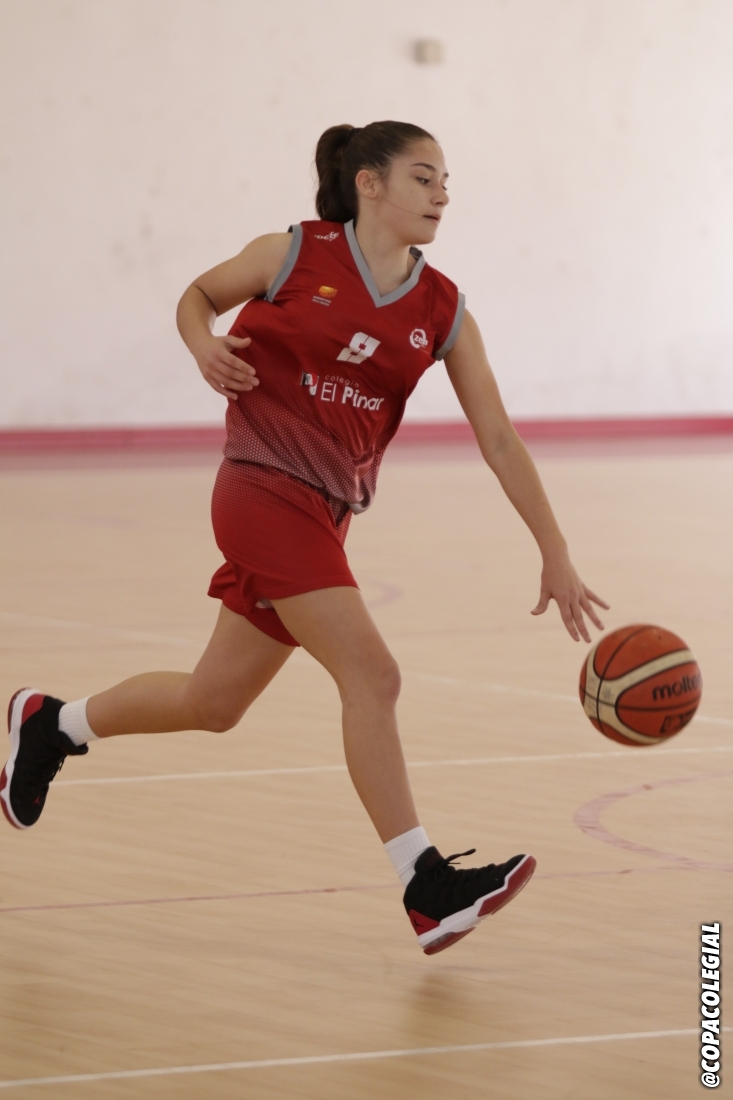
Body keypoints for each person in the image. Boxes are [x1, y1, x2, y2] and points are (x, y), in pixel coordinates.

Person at [1, 121, 608, 955]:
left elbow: (497, 437)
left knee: (214, 703)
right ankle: (425, 885)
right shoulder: (291, 254)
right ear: (369, 182)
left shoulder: (442, 309)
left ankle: (52, 724)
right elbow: (196, 296)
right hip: (258, 487)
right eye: (423, 176)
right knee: (374, 675)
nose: (441, 194)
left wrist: (554, 549)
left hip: (327, 514)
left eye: (445, 181)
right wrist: (203, 347)